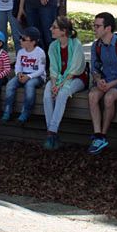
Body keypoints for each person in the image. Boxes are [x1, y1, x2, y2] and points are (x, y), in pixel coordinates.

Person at [86, 12, 117, 154]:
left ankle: (103, 134)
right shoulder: (96, 46)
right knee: (92, 96)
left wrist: (111, 85)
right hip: (105, 80)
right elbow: (94, 69)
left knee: (109, 98)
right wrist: (97, 79)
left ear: (108, 28)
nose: (94, 29)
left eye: (97, 26)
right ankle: (97, 135)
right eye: (94, 25)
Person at [42, 16, 86, 150]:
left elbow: (74, 70)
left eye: (54, 27)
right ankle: (52, 135)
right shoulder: (53, 46)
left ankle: (51, 131)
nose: (51, 29)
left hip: (76, 78)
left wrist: (60, 86)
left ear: (64, 31)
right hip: (58, 78)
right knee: (47, 94)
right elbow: (53, 69)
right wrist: (54, 84)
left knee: (63, 93)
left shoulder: (76, 44)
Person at [2, 27, 46, 124]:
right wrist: (18, 74)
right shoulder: (21, 52)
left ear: (33, 42)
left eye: (23, 39)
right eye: (20, 38)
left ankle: (26, 111)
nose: (20, 40)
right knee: (10, 84)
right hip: (23, 75)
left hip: (37, 76)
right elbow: (18, 66)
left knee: (29, 85)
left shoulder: (40, 52)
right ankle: (8, 109)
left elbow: (41, 70)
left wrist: (29, 77)